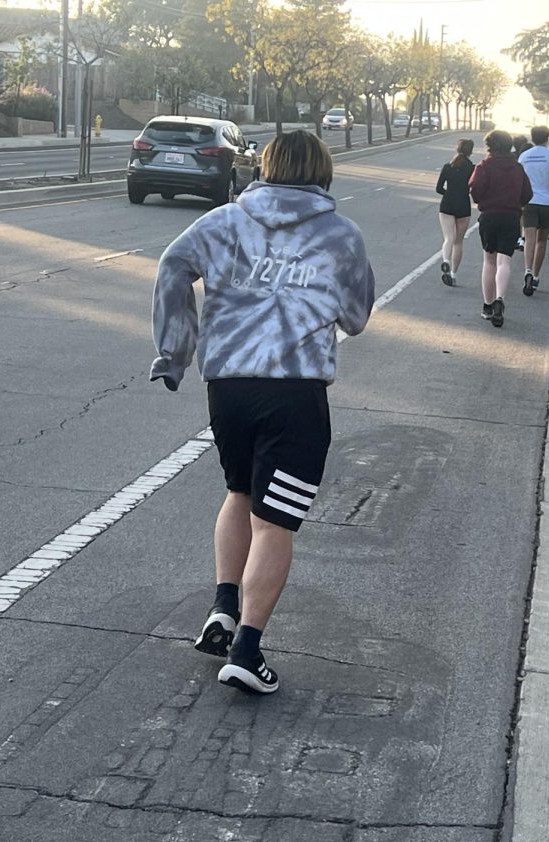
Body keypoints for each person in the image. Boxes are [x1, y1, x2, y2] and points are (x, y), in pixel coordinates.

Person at [150, 130, 376, 695]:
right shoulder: (340, 233)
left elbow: (172, 265)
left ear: (266, 167)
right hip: (294, 392)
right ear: (323, 173)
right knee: (276, 521)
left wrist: (176, 350)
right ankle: (248, 651)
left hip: (227, 386)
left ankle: (224, 608)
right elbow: (355, 317)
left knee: (240, 493)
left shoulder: (225, 221)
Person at [468, 129, 532, 329]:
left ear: (489, 146)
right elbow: (527, 194)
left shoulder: (484, 166)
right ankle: (500, 299)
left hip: (489, 216)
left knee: (489, 260)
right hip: (511, 216)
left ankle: (487, 306)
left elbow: (475, 191)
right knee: (505, 260)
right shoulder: (517, 167)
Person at [515, 125, 549, 296]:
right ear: (547, 138)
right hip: (547, 202)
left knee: (528, 239)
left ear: (532, 137)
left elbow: (518, 179)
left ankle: (527, 271)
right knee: (541, 241)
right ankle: (536, 276)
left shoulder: (524, 156)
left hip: (529, 202)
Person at [436, 138, 475, 287]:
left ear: (457, 149)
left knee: (448, 238)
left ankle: (445, 260)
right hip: (463, 205)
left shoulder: (448, 167)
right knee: (458, 241)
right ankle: (453, 274)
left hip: (447, 203)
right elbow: (474, 188)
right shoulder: (472, 168)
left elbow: (438, 188)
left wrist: (449, 193)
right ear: (470, 151)